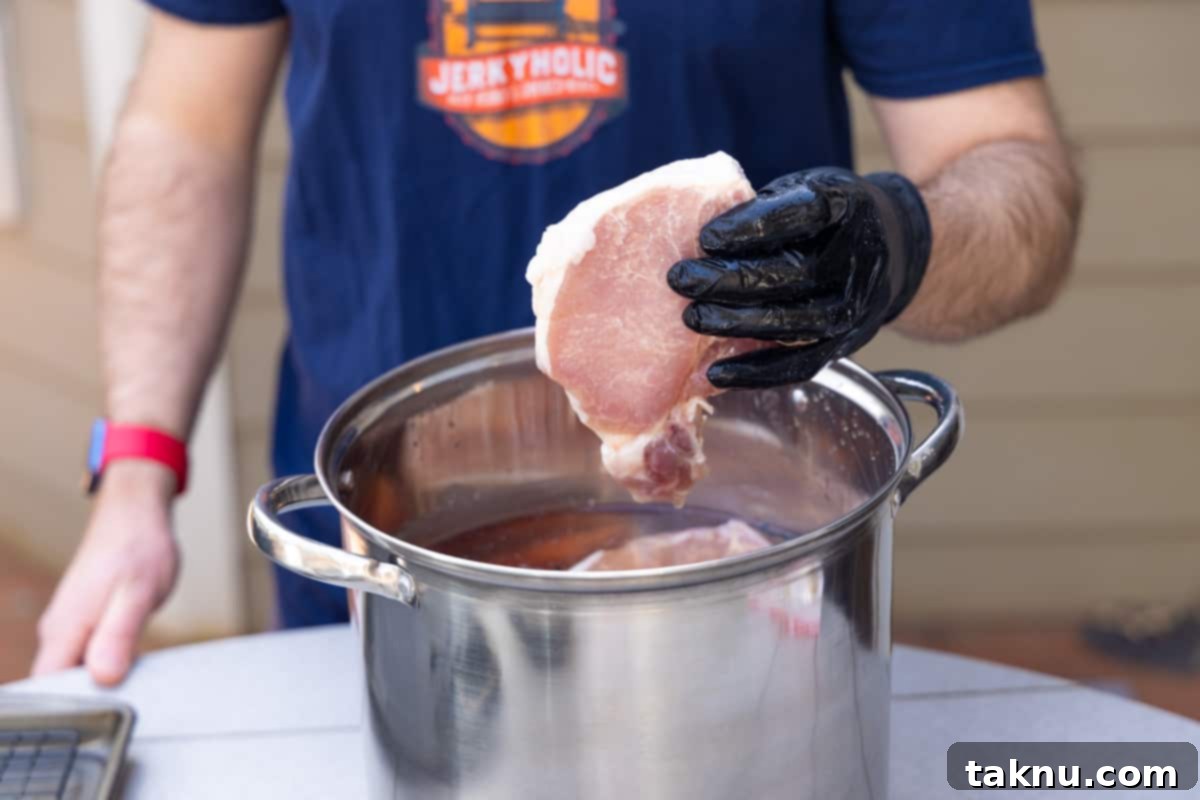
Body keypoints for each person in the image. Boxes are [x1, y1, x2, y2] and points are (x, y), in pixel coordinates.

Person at [33, 0, 1081, 686]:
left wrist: (900, 239)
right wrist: (137, 470)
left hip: (743, 549)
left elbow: (1013, 172)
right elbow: (186, 130)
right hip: (379, 546)